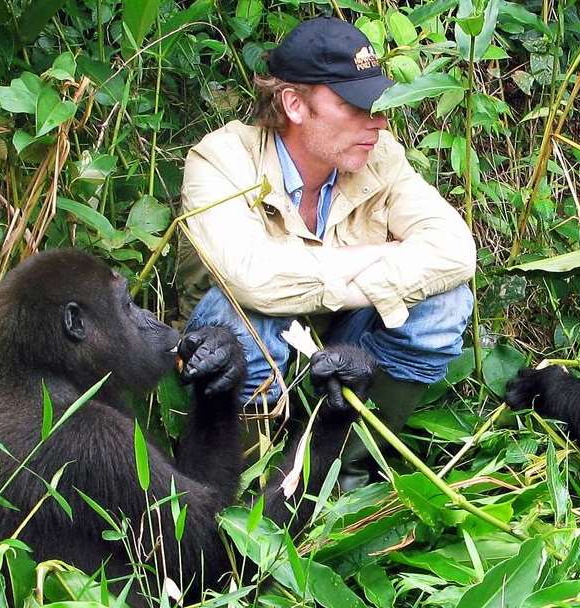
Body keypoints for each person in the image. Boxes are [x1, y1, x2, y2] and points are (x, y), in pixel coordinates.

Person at [177, 17, 476, 489]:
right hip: (239, 355)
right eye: (355, 106)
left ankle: (340, 472)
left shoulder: (381, 156)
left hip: (345, 351)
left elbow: (456, 251)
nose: (377, 122)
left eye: (378, 105)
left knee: (445, 304)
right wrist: (379, 259)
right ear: (294, 104)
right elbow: (255, 283)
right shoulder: (221, 159)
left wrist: (322, 280)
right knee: (244, 322)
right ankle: (248, 485)